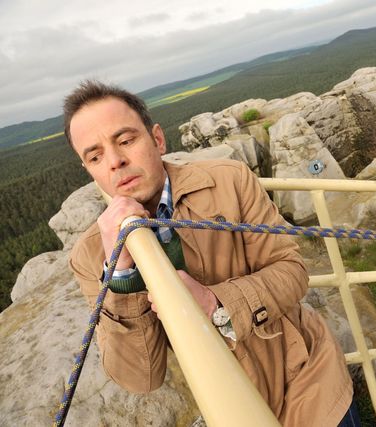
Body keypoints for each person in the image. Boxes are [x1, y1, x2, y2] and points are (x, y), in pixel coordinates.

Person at [64, 80, 359, 427]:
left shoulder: (229, 181)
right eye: (95, 156)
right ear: (89, 170)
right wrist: (121, 273)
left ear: (157, 139)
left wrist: (214, 301)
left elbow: (292, 270)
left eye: (126, 140)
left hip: (305, 377)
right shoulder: (91, 256)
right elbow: (141, 378)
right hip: (226, 407)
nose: (115, 161)